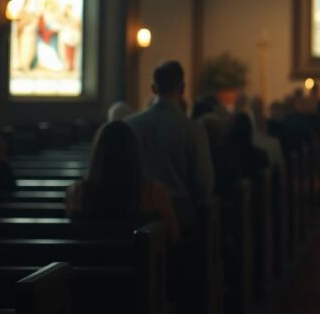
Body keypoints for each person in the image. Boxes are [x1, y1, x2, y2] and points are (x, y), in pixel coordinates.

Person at [126, 60, 214, 222]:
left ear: (153, 89)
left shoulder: (130, 125)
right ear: (182, 88)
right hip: (181, 217)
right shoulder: (194, 129)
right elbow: (204, 184)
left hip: (138, 216)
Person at [66, 121, 179, 243]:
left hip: (91, 261)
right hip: (138, 262)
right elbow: (173, 236)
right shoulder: (154, 193)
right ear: (134, 152)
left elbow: (72, 236)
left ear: (98, 153)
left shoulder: (77, 193)